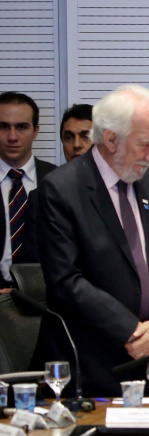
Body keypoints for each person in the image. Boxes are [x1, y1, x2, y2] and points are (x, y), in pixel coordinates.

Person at [37, 84, 149, 397]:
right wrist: (131, 330)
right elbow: (66, 280)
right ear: (111, 139)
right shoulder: (61, 189)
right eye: (146, 144)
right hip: (91, 367)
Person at [0, 91, 56, 291]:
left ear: (36, 131)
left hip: (45, 298)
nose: (12, 136)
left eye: (22, 127)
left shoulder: (57, 180)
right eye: (3, 126)